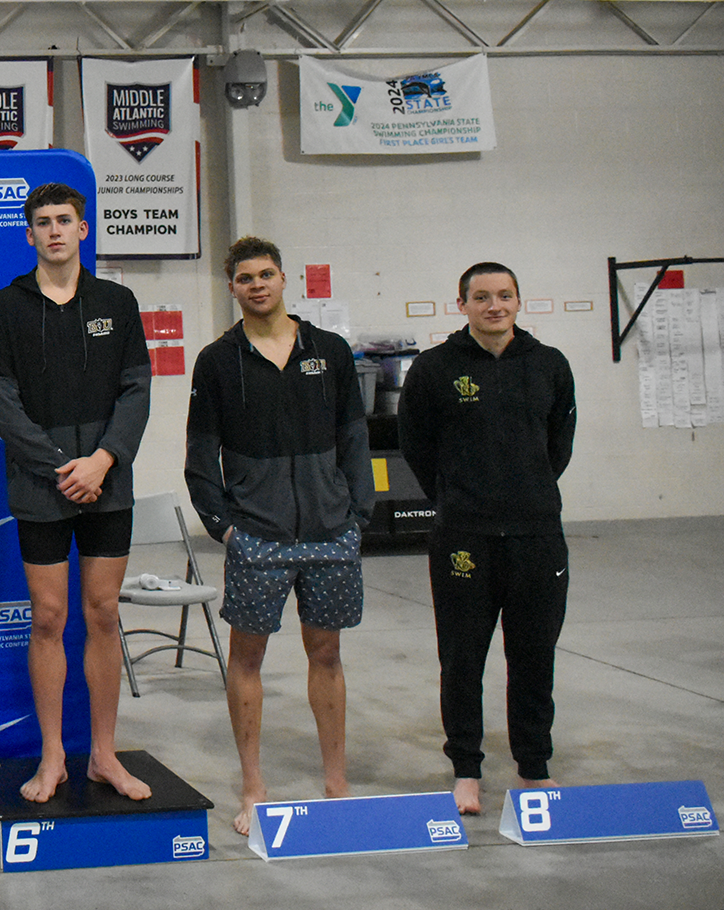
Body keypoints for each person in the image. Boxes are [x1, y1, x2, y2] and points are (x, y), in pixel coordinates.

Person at [185, 236, 372, 835]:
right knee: (247, 659)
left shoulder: (330, 351)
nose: (257, 285)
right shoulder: (218, 361)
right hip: (257, 538)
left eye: (267, 274)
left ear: (284, 279)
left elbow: (354, 438)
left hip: (328, 533)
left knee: (328, 654)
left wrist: (357, 515)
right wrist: (225, 526)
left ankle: (337, 785)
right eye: (245, 278)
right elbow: (200, 454)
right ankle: (254, 788)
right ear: (233, 288)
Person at [0, 182, 153, 802]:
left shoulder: (119, 301)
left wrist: (102, 461)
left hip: (108, 482)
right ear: (28, 234)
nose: (54, 230)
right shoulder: (5, 307)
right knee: (49, 616)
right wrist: (61, 466)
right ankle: (53, 756)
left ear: (84, 229)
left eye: (65, 220)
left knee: (103, 613)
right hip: (41, 484)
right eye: (43, 222)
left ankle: (104, 754)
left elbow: (137, 390)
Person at [399, 262, 576, 816]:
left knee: (532, 656)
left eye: (504, 295)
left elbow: (559, 447)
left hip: (537, 536)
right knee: (462, 658)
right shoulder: (434, 369)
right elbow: (416, 447)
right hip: (464, 537)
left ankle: (533, 766)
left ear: (519, 302)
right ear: (463, 305)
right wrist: (458, 496)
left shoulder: (549, 365)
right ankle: (467, 769)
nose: (493, 305)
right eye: (481, 297)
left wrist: (524, 491)